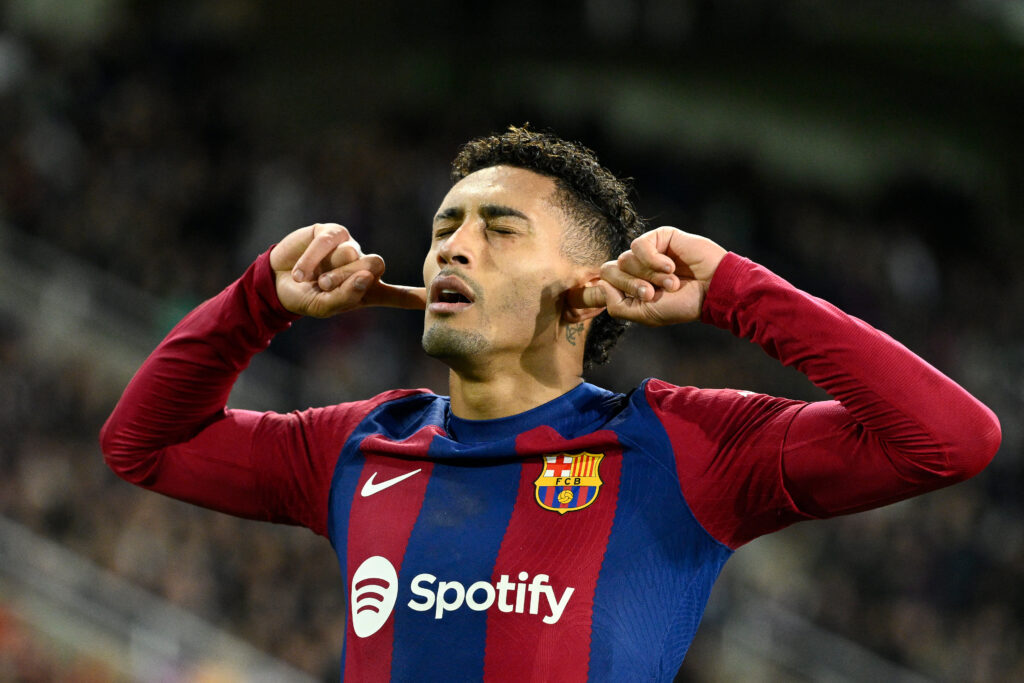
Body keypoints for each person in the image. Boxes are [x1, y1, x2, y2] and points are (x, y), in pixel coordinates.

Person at [100, 126, 1001, 681]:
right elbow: (143, 445)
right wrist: (258, 298)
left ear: (588, 288)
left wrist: (736, 290)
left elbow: (951, 440)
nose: (453, 247)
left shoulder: (685, 447)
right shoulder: (360, 445)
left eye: (498, 230)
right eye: (445, 226)